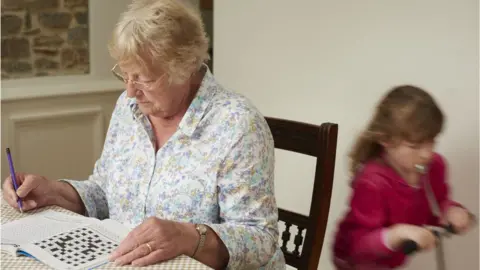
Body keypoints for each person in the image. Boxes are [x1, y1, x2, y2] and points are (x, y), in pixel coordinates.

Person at [2, 0, 286, 269]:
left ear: (186, 68)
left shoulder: (237, 124)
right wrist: (55, 191)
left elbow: (261, 240)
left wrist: (189, 236)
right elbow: (104, 191)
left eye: (145, 79)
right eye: (125, 75)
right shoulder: (129, 107)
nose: (130, 91)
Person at [331, 85, 475, 269]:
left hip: (390, 261)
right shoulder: (372, 182)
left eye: (432, 141)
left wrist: (452, 211)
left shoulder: (435, 167)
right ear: (386, 140)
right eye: (415, 146)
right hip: (354, 262)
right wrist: (397, 234)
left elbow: (437, 205)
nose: (427, 154)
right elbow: (358, 247)